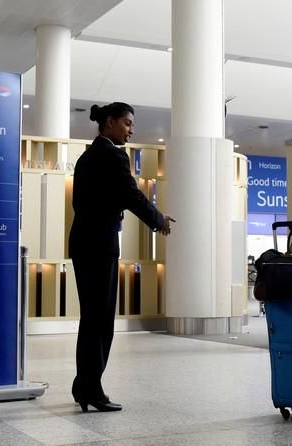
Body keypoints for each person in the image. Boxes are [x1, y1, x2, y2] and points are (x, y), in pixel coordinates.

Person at [69, 102, 175, 412]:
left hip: (83, 242)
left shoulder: (87, 157)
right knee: (100, 321)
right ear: (111, 122)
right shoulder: (113, 156)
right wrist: (159, 220)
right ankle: (90, 388)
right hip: (99, 244)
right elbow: (131, 195)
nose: (131, 130)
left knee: (91, 318)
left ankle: (84, 386)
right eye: (127, 123)